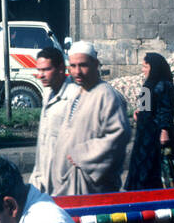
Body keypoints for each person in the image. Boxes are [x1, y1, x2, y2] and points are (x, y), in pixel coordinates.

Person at [44, 42, 131, 195]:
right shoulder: (78, 93)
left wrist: (82, 154)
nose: (77, 71)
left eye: (83, 65)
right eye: (73, 66)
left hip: (89, 186)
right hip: (67, 182)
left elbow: (119, 135)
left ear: (95, 64)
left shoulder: (107, 95)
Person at [125, 52, 174, 190]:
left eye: (145, 67)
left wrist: (164, 130)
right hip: (144, 134)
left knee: (159, 166)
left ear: (153, 67)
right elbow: (145, 106)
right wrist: (139, 112)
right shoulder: (148, 84)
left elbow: (166, 109)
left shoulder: (164, 85)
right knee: (143, 165)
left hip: (157, 133)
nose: (142, 70)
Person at [27, 47, 78, 194]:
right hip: (41, 176)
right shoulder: (47, 92)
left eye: (46, 70)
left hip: (64, 182)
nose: (40, 75)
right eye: (39, 70)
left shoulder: (74, 96)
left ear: (61, 68)